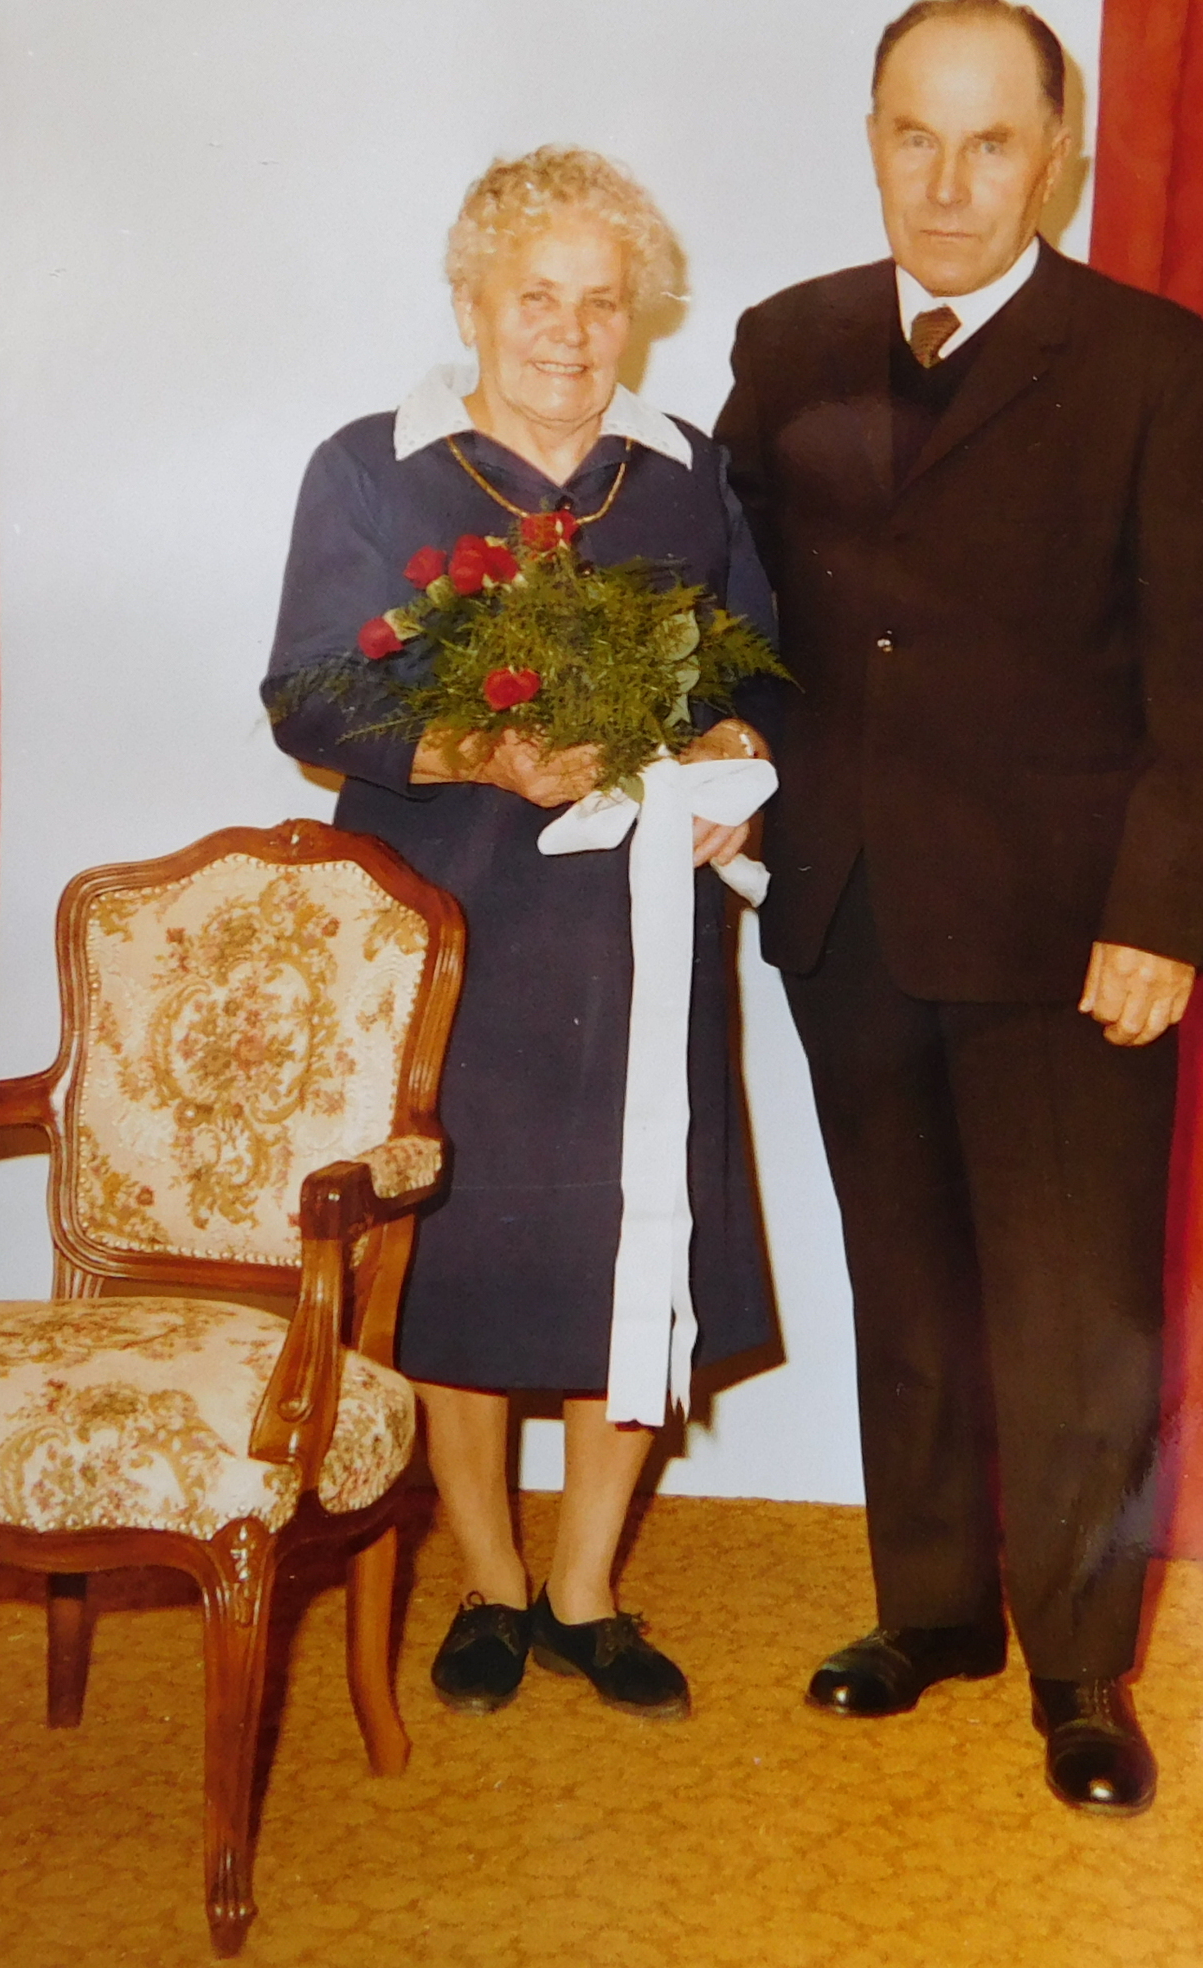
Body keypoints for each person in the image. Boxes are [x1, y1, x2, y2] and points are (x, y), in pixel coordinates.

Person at [716, 0, 1203, 1813]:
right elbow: (730, 609)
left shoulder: (1154, 365)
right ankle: (931, 1610)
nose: (945, 183)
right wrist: (712, 770)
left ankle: (1081, 1672)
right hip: (849, 905)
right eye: (912, 137)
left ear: (1056, 155)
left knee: (1073, 1313)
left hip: (1068, 933)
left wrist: (1158, 918)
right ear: (871, 138)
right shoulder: (788, 340)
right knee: (909, 1287)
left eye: (989, 142)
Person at [266, 146, 776, 1721]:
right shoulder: (374, 468)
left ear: (639, 317)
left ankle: (586, 1589)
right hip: (453, 924)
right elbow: (307, 697)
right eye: (535, 297)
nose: (567, 330)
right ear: (471, 302)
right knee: (461, 1253)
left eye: (600, 302)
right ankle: (489, 1581)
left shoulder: (684, 473)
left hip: (637, 931)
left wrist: (739, 765)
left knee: (637, 1236)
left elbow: (760, 674)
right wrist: (479, 750)